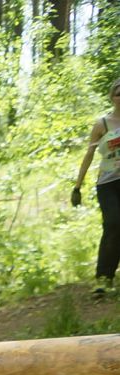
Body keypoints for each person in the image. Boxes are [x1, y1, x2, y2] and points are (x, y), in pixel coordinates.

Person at [70, 76, 120, 297]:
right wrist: (77, 186)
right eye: (119, 92)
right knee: (113, 222)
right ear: (112, 97)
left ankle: (109, 276)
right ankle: (103, 277)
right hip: (107, 183)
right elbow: (89, 153)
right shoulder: (103, 124)